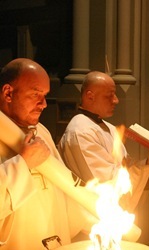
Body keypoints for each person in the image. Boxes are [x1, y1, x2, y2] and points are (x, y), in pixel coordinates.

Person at [0, 58, 95, 249]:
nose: (43, 104)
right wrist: (23, 163)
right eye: (36, 94)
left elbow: (63, 187)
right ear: (8, 93)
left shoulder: (40, 131)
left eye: (45, 95)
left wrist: (97, 216)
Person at [58, 71, 149, 212]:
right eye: (110, 95)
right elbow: (104, 184)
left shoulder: (109, 128)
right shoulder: (80, 131)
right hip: (91, 216)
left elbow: (123, 167)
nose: (116, 100)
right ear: (90, 96)